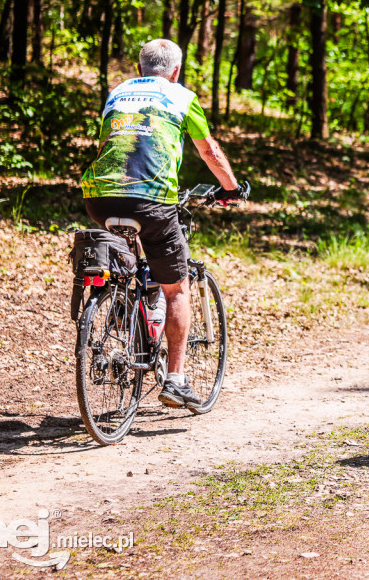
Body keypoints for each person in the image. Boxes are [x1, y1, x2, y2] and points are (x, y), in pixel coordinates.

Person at [81, 38, 246, 409]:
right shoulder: (181, 97)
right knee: (176, 288)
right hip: (152, 200)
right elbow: (209, 151)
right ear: (175, 71)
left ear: (141, 68)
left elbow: (113, 144)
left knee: (128, 257)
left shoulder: (117, 94)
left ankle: (124, 306)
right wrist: (231, 189)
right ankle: (176, 380)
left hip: (98, 198)